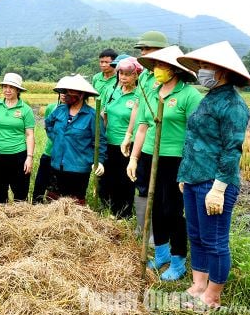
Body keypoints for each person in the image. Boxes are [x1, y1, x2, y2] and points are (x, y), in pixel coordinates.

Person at [177, 41, 250, 308]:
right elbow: (195, 139)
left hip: (215, 182)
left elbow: (232, 150)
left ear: (221, 71)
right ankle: (198, 285)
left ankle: (212, 296)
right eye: (200, 66)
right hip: (195, 178)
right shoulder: (209, 98)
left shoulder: (233, 104)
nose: (201, 71)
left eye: (206, 66)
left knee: (215, 240)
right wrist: (184, 175)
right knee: (196, 235)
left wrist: (218, 188)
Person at [126, 45, 202, 281]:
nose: (157, 69)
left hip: (175, 159)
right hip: (150, 156)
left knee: (172, 210)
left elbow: (196, 134)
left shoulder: (189, 96)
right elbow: (142, 127)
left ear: (175, 70)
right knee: (155, 206)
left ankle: (178, 259)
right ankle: (161, 253)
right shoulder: (152, 91)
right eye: (156, 65)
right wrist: (134, 157)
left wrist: (189, 168)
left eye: (162, 65)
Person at [120, 31, 169, 242]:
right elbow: (138, 110)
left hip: (166, 148)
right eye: (142, 50)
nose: (144, 53)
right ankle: (144, 231)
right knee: (141, 187)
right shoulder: (146, 78)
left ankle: (161, 239)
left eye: (148, 49)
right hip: (145, 144)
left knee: (163, 194)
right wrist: (128, 134)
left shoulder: (171, 76)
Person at [45, 74, 106, 205]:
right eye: (66, 91)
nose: (66, 94)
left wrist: (99, 161)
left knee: (75, 205)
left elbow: (100, 141)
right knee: (53, 201)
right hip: (57, 164)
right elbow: (48, 124)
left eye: (71, 92)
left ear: (81, 95)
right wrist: (57, 139)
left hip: (78, 167)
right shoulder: (59, 110)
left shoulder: (92, 116)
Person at [0, 73, 34, 203]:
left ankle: (19, 220)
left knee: (20, 194)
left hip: (18, 156)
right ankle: (1, 221)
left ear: (18, 90)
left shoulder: (26, 109)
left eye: (11, 87)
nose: (7, 90)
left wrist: (29, 157)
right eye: (5, 87)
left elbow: (29, 134)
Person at [99, 57, 143, 218]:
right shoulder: (113, 92)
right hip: (108, 142)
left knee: (124, 181)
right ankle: (108, 210)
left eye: (127, 74)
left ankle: (123, 214)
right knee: (107, 179)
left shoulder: (138, 96)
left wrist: (129, 139)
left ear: (136, 75)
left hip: (126, 146)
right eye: (120, 73)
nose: (123, 77)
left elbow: (140, 123)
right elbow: (105, 115)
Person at [32, 91, 65, 204]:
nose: (64, 94)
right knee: (41, 181)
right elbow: (47, 126)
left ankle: (54, 206)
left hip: (64, 156)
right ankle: (36, 204)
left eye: (67, 92)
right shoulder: (51, 107)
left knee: (57, 185)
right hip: (49, 151)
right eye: (62, 91)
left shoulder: (73, 110)